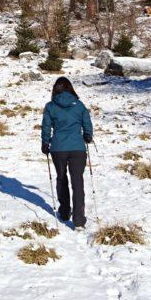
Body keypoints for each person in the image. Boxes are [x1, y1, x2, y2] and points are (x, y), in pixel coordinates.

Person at [41, 76, 93, 228]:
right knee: (77, 182)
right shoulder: (79, 105)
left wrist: (45, 142)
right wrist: (87, 136)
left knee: (61, 178)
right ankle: (78, 220)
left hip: (58, 149)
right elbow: (87, 123)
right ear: (70, 88)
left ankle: (64, 211)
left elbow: (46, 126)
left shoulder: (50, 106)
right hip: (77, 148)